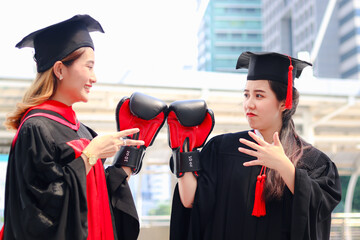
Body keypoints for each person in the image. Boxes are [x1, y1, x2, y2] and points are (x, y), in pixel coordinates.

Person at [169, 51, 342, 240]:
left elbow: (318, 210)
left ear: (284, 103)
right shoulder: (222, 148)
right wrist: (183, 149)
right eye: (246, 95)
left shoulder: (312, 161)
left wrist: (284, 166)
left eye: (259, 96)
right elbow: (190, 200)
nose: (249, 104)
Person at [2, 15, 145, 240]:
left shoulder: (82, 131)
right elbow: (38, 212)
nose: (94, 77)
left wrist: (129, 159)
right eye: (89, 66)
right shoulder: (36, 128)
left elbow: (93, 200)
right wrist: (91, 155)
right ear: (59, 69)